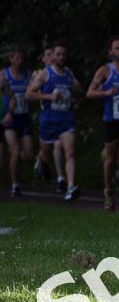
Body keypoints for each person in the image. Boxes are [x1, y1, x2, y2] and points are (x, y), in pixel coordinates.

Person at [26, 41, 85, 201]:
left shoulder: (68, 74)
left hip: (66, 119)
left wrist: (74, 93)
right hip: (49, 119)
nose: (61, 57)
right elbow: (29, 94)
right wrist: (49, 96)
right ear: (52, 56)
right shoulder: (45, 73)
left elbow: (79, 89)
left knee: (70, 152)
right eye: (58, 54)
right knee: (45, 153)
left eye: (64, 54)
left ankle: (71, 186)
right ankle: (41, 159)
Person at [86, 36, 119, 211]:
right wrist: (107, 92)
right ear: (111, 52)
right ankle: (108, 191)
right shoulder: (105, 71)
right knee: (109, 160)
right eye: (117, 48)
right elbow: (90, 93)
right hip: (112, 119)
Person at [3, 48, 34, 197]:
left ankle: (14, 161)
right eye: (17, 58)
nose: (20, 61)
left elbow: (33, 92)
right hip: (10, 119)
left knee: (28, 155)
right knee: (15, 151)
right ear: (11, 59)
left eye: (22, 58)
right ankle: (15, 184)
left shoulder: (28, 75)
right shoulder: (4, 75)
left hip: (24, 117)